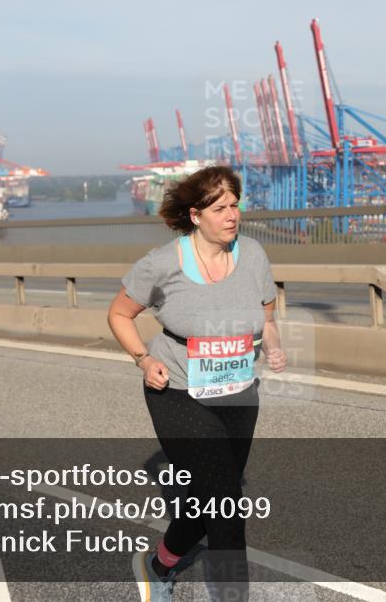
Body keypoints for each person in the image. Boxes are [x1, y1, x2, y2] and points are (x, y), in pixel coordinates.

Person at [107, 165, 286, 601]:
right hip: (179, 393)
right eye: (220, 207)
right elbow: (119, 314)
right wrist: (143, 359)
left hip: (239, 392)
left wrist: (274, 346)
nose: (232, 215)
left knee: (208, 501)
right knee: (227, 507)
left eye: (235, 206)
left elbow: (266, 318)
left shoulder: (255, 256)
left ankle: (157, 566)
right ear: (195, 215)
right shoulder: (164, 263)